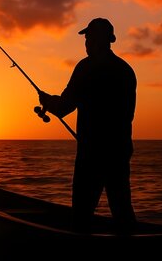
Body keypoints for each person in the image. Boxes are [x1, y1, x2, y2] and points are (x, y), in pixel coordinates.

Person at [39, 17, 137, 233]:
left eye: (88, 38)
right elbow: (128, 114)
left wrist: (47, 101)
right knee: (122, 210)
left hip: (91, 154)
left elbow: (64, 106)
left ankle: (80, 259)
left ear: (96, 40)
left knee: (82, 215)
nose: (86, 43)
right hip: (120, 152)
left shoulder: (86, 67)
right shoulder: (125, 70)